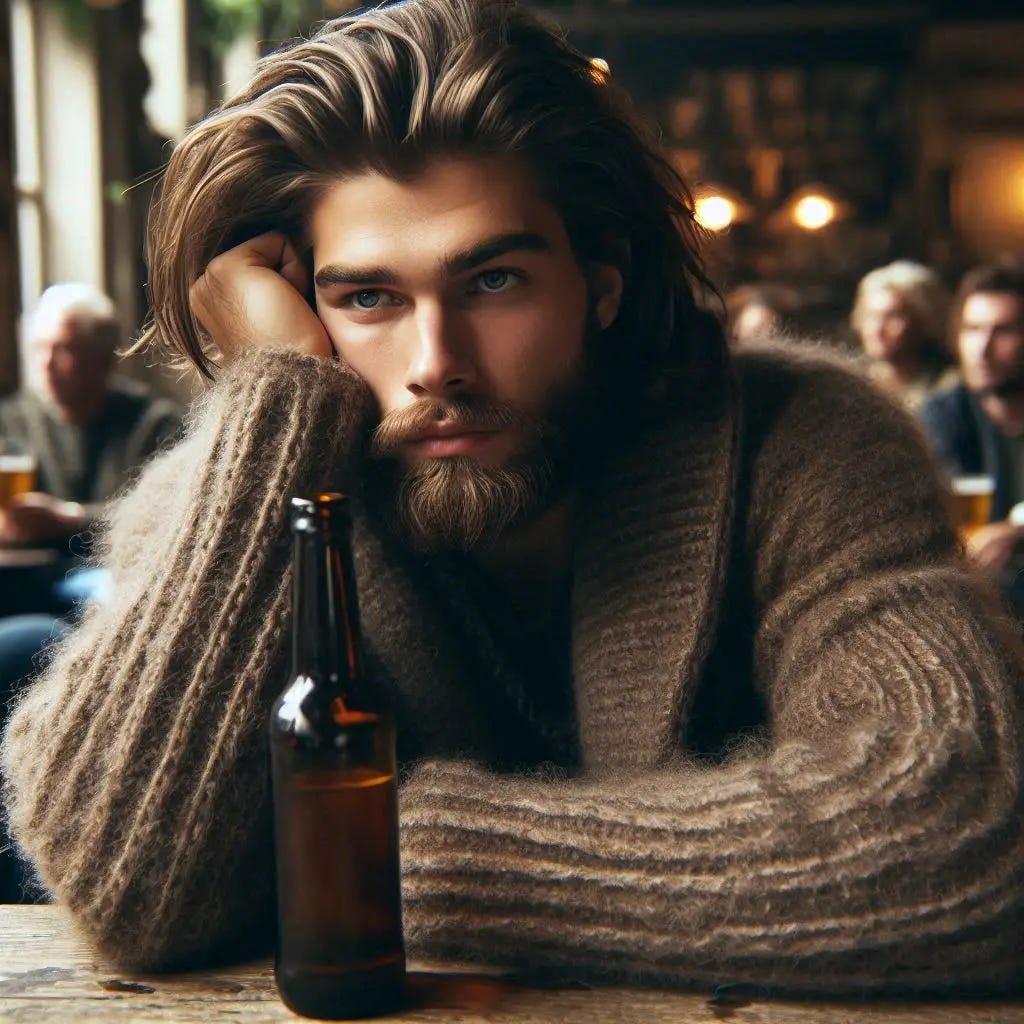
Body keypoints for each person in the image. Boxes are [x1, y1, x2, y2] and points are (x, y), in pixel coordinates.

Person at [2, 0, 1022, 996]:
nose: (435, 364)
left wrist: (410, 855)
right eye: (367, 298)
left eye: (493, 282)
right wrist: (274, 410)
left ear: (602, 281)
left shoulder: (804, 440)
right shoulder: (243, 475)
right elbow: (126, 882)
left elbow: (975, 826)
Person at [0, 283, 181, 547]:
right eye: (40, 348)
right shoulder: (10, 422)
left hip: (116, 572)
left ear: (103, 358)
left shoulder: (154, 425)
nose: (46, 363)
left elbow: (164, 513)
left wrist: (73, 519)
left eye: (63, 348)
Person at [920, 262, 1024, 579]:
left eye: (1003, 331)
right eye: (972, 329)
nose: (982, 349)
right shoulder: (944, 414)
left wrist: (1015, 532)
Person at [852, 260, 957, 412]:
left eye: (892, 316)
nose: (877, 329)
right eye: (870, 315)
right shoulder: (854, 383)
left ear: (925, 320)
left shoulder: (950, 389)